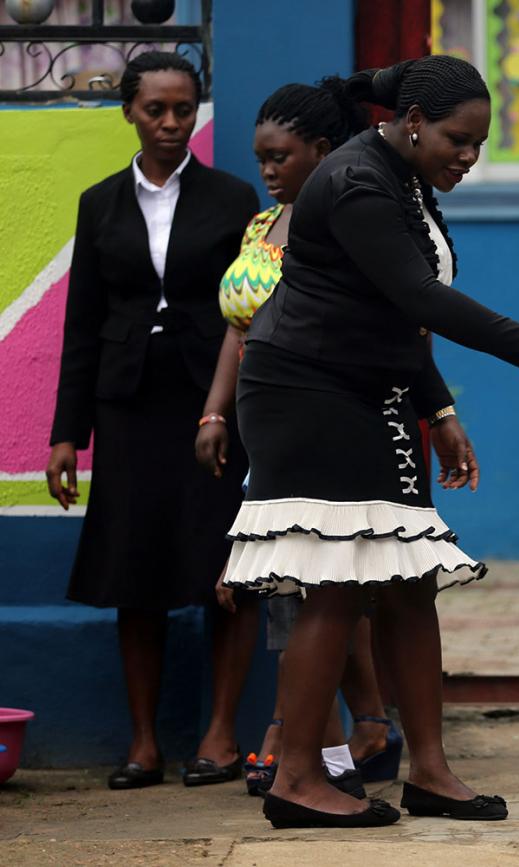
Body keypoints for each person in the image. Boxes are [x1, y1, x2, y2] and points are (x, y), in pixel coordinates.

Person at [218, 54, 519, 830]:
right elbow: (417, 296)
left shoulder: (400, 175)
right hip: (306, 392)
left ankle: (431, 770)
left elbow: (396, 317)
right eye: (458, 140)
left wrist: (437, 410)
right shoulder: (356, 179)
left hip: (369, 388)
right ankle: (299, 775)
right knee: (335, 582)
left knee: (408, 579)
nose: (468, 157)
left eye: (479, 143)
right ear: (410, 122)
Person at [45, 52, 261, 789]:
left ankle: (221, 734)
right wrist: (66, 432)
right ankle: (143, 743)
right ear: (129, 113)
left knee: (223, 562)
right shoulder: (99, 202)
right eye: (155, 110)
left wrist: (230, 407)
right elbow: (83, 322)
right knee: (133, 566)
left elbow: (252, 312)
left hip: (214, 405)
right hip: (128, 405)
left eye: (183, 109)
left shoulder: (234, 201)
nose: (171, 124)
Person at [194, 78, 399, 795]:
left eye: (280, 155)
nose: (268, 169)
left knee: (316, 579)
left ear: (321, 150)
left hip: (318, 417)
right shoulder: (259, 227)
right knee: (301, 579)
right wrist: (215, 413)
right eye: (260, 156)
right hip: (261, 421)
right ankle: (350, 733)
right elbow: (238, 326)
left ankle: (307, 737)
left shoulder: (344, 222)